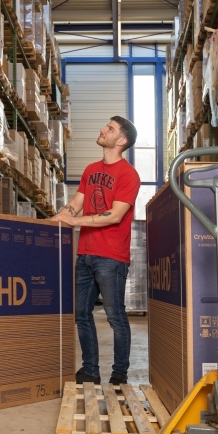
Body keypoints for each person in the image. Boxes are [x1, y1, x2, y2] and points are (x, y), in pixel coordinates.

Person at [50, 116, 140, 386]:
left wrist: (74, 221)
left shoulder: (128, 175)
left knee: (115, 316)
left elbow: (115, 215)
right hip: (85, 254)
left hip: (111, 257)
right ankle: (90, 370)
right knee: (81, 314)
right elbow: (75, 205)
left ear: (121, 140)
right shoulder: (90, 170)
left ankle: (119, 374)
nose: (102, 129)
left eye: (110, 129)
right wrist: (52, 221)